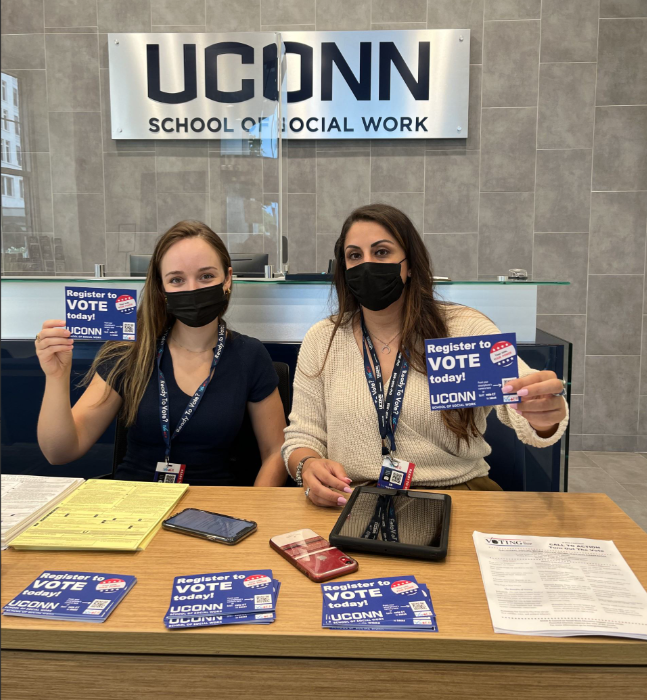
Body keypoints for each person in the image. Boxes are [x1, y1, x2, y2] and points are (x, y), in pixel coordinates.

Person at [283, 204, 569, 506]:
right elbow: (302, 437)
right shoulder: (323, 338)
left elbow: (521, 397)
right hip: (353, 501)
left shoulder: (463, 328)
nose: (367, 264)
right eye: (355, 255)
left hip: (456, 496)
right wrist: (308, 465)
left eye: (381, 252)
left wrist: (543, 412)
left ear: (409, 265)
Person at [36, 220, 286, 486]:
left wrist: (255, 511)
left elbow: (275, 452)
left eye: (206, 276)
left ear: (227, 279)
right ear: (161, 289)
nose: (192, 289)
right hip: (133, 504)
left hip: (216, 509)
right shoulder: (129, 353)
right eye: (177, 279)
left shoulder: (249, 355)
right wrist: (56, 377)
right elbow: (59, 452)